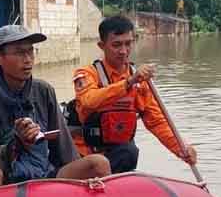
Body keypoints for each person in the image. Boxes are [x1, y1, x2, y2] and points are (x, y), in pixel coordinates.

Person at [0, 25, 110, 190]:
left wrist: (76, 173)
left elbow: (64, 148)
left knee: (98, 164)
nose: (27, 59)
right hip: (5, 180)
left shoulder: (43, 91)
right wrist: (15, 145)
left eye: (30, 51)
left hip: (44, 172)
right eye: (19, 52)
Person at [70, 15, 198, 174]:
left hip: (119, 155)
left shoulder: (140, 82)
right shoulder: (87, 74)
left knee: (129, 151)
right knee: (124, 153)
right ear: (102, 46)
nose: (123, 51)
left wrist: (181, 149)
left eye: (128, 44)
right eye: (116, 45)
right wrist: (128, 83)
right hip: (85, 157)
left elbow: (156, 121)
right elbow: (89, 101)